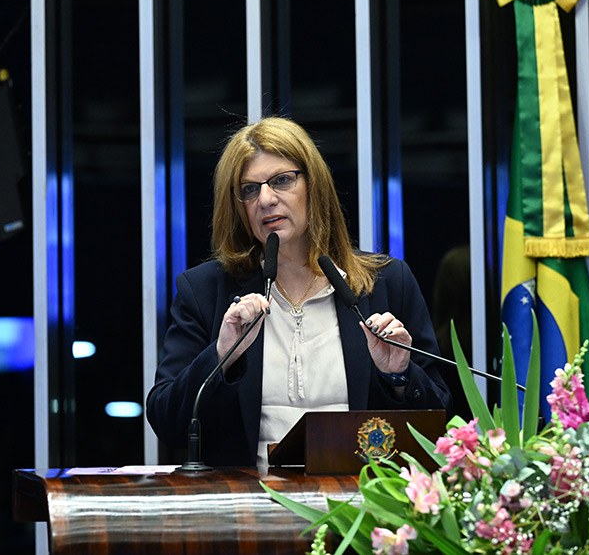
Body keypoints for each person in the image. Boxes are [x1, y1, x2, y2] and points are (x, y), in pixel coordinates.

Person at [146, 117, 450, 467]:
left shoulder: (387, 282)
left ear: (314, 185)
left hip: (361, 496)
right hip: (249, 497)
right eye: (249, 189)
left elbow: (438, 426)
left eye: (281, 180)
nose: (265, 199)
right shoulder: (205, 290)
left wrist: (398, 376)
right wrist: (221, 356)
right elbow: (168, 423)